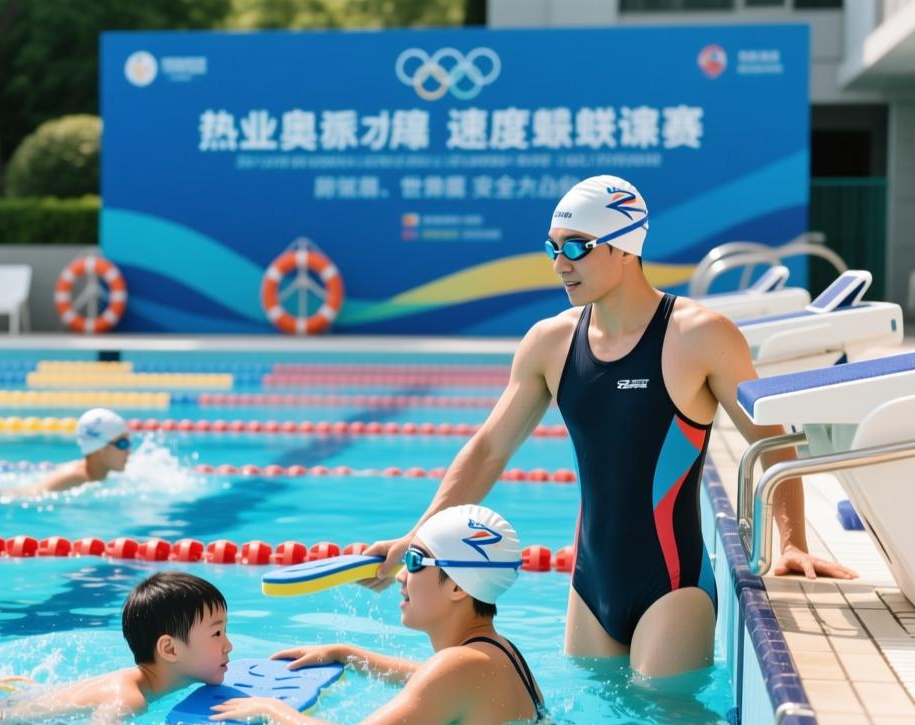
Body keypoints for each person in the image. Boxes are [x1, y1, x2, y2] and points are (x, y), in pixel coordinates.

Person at [364, 175, 857, 678]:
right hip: (589, 585)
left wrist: (792, 542)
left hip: (672, 586)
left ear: (625, 247)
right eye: (553, 249)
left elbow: (770, 438)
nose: (561, 265)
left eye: (577, 248)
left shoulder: (699, 335)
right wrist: (415, 538)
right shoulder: (550, 343)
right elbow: (490, 448)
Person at [211, 505, 546, 725]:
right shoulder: (496, 651)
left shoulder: (457, 666)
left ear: (458, 587)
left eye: (414, 562)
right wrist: (348, 654)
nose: (400, 575)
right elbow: (425, 676)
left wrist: (273, 710)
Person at [0, 570, 232, 725]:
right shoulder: (131, 698)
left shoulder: (142, 684)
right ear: (170, 649)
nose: (228, 645)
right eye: (217, 633)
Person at [14, 407, 132, 495]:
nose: (129, 451)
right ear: (101, 448)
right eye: (123, 444)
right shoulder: (73, 479)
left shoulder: (95, 476)